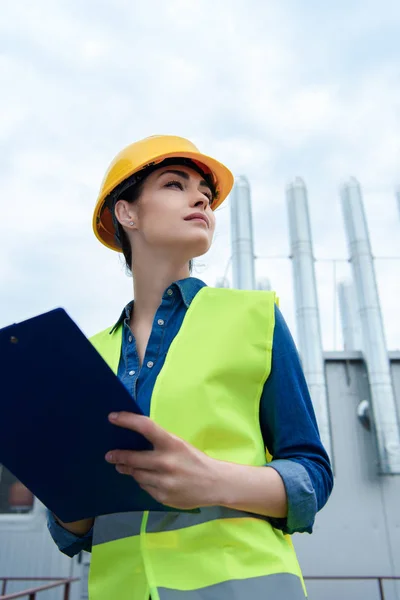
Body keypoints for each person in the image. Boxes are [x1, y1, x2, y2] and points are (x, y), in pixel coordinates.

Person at [47, 135, 333, 600]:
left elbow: (312, 474)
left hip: (243, 588)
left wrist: (214, 481)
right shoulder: (87, 356)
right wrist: (64, 495)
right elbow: (70, 530)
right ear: (128, 212)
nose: (201, 197)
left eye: (204, 190)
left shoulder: (253, 317)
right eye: (175, 184)